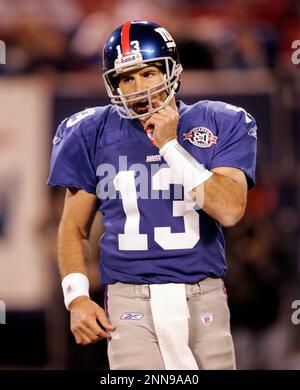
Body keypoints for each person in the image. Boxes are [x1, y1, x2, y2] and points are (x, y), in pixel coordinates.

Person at [48, 20, 257, 370]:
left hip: (201, 295)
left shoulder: (218, 121)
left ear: (170, 71)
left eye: (147, 73)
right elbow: (73, 228)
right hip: (129, 300)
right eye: (126, 78)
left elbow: (230, 210)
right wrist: (77, 298)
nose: (138, 87)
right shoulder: (90, 132)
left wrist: (171, 146)